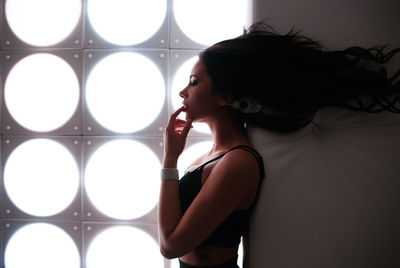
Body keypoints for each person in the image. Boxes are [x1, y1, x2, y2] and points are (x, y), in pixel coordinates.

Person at [158, 22, 400, 268]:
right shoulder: (210, 157)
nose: (182, 92)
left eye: (194, 82)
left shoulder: (238, 161)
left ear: (225, 96)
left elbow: (171, 246)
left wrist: (170, 159)